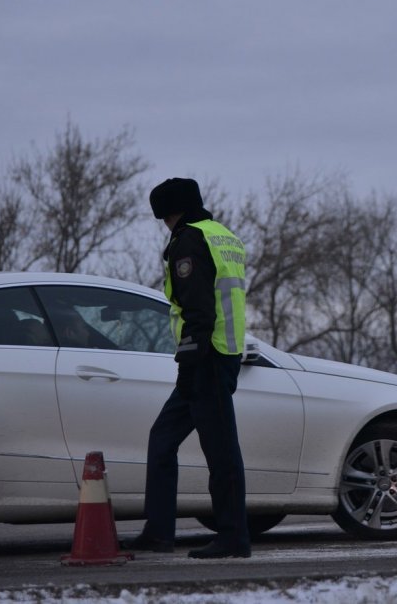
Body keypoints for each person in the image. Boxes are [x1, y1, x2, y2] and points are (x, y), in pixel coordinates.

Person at [126, 177, 250, 559]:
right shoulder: (222, 235)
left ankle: (233, 537)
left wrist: (189, 358)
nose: (162, 224)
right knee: (162, 439)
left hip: (206, 358)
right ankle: (159, 532)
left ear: (169, 212)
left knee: (221, 450)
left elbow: (198, 309)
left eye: (162, 216)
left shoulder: (190, 241)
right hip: (220, 354)